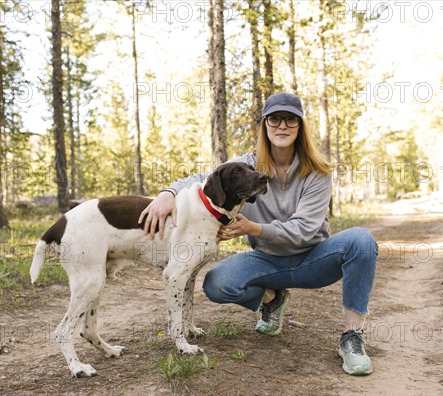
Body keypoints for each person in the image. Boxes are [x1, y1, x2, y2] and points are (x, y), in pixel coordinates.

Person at [139, 92, 378, 375]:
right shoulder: (248, 164)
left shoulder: (318, 171)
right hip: (267, 261)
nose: (282, 125)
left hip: (313, 259)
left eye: (291, 119)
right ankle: (273, 300)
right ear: (265, 125)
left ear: (300, 127)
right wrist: (168, 193)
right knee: (216, 282)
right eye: (275, 118)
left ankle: (352, 337)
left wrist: (254, 228)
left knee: (361, 241)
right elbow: (201, 179)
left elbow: (303, 230)